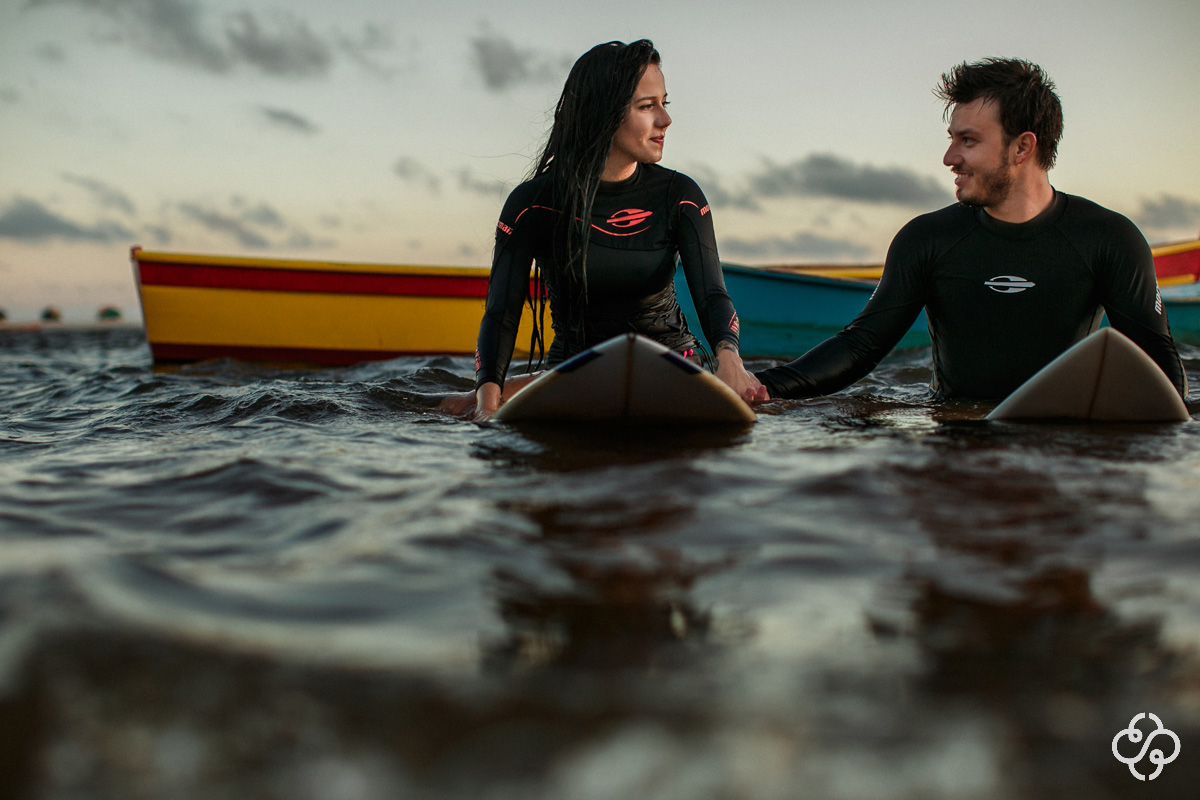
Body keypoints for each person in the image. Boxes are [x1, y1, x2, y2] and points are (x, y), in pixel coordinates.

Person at [755, 57, 1187, 402]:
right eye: (952, 138)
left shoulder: (1107, 239)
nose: (949, 158)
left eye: (968, 140)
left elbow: (1159, 363)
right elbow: (860, 347)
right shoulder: (928, 239)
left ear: (1023, 147)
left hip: (1059, 446)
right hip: (956, 439)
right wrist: (761, 388)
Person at [463, 39, 765, 421]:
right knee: (458, 404)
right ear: (604, 112)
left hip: (673, 366)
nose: (665, 120)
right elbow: (500, 314)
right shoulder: (533, 204)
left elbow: (712, 295)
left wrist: (730, 359)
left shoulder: (679, 196)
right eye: (647, 106)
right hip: (573, 372)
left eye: (664, 103)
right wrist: (486, 406)